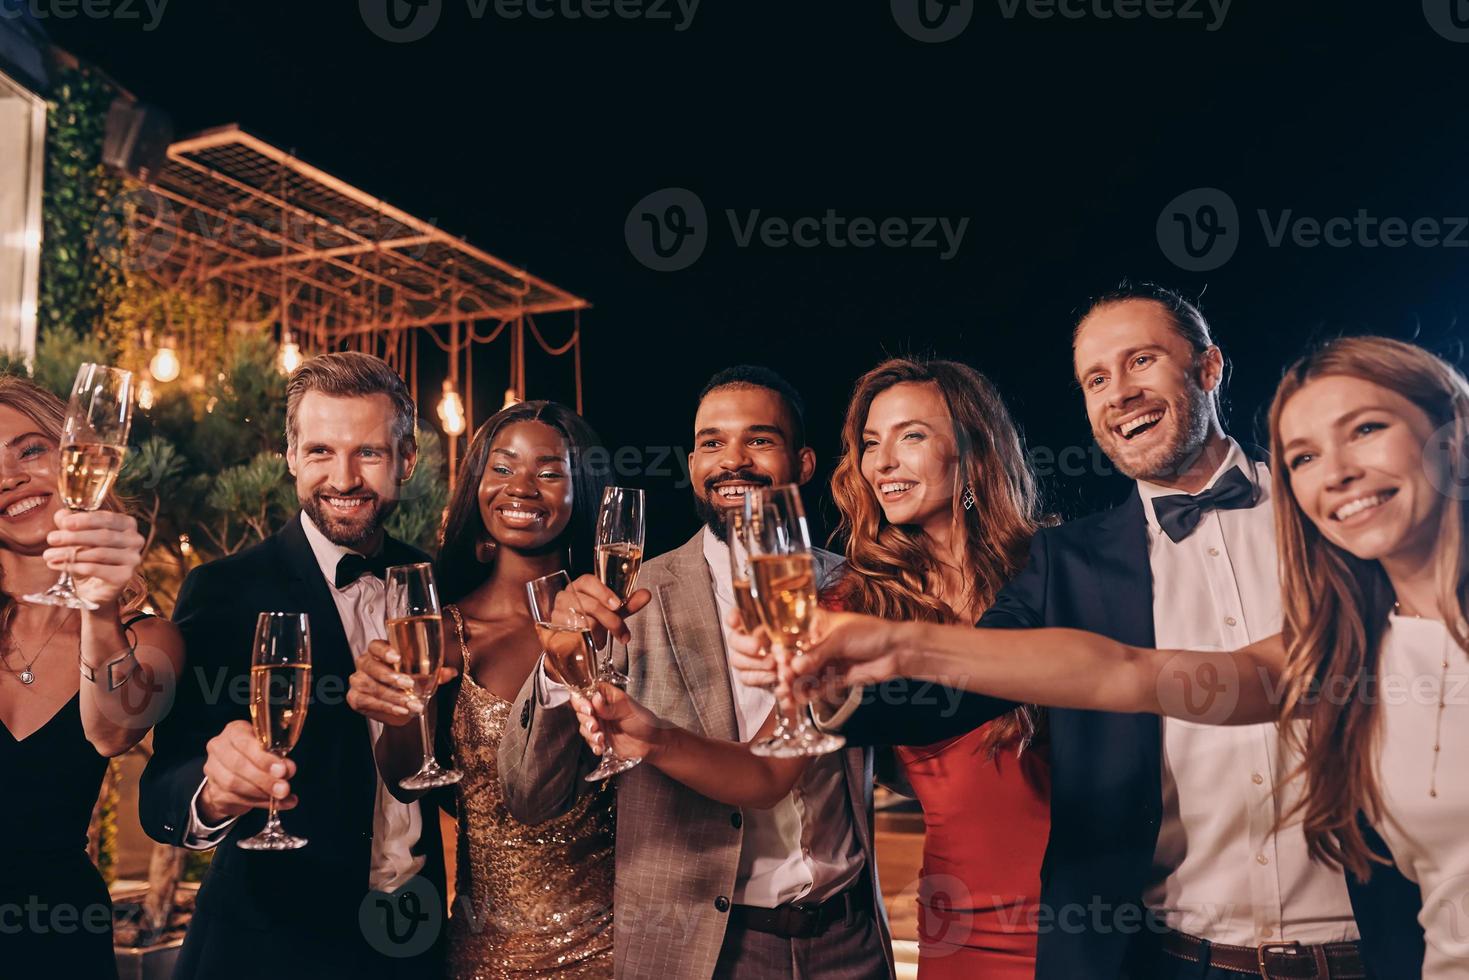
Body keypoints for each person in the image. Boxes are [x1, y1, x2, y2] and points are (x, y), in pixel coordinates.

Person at [750, 284, 1379, 979]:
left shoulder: (1335, 515)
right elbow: (956, 696)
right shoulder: (1068, 565)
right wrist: (821, 686)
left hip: (1367, 947)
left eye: (1140, 361)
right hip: (1172, 957)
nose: (1120, 393)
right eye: (1095, 379)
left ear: (1207, 369)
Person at [576, 358, 1048, 979]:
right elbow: (770, 771)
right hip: (955, 920)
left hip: (1074, 900)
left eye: (910, 435)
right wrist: (654, 737)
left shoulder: (1053, 571)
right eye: (870, 444)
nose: (882, 462)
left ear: (974, 449)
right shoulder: (859, 602)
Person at [499, 366, 895, 980]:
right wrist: (558, 666)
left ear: (806, 462)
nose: (731, 461)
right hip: (701, 951)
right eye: (712, 443)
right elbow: (530, 795)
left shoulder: (856, 589)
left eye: (758, 440)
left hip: (849, 942)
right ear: (691, 466)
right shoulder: (634, 592)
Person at [139, 352, 447, 979]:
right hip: (268, 949)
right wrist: (215, 792)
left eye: (368, 453)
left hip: (411, 939)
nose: (344, 477)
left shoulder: (436, 583)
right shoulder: (223, 589)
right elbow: (161, 793)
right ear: (290, 458)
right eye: (320, 452)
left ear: (406, 460)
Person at [347, 400, 616, 977]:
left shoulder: (611, 622)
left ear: (581, 489)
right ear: (477, 483)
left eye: (548, 472)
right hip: (487, 952)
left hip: (620, 948)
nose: (521, 487)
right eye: (502, 467)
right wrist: (401, 704)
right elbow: (404, 780)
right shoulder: (441, 630)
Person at [0, 375, 182, 980]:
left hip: (56, 942)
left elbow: (112, 731)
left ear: (76, 457)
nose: (10, 476)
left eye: (30, 449)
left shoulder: (148, 638)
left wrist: (97, 605)